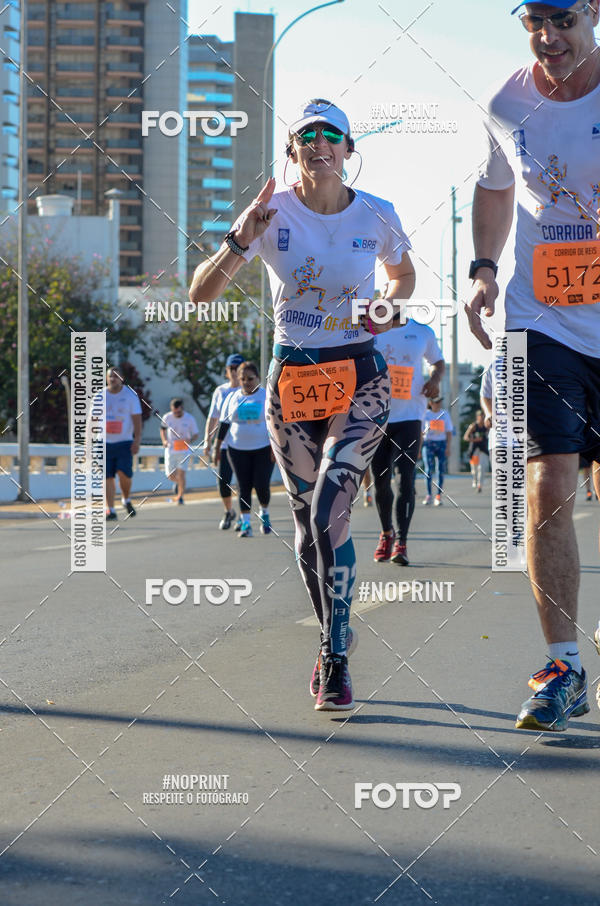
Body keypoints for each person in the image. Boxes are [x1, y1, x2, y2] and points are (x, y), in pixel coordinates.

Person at [189, 98, 415, 710]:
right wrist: (241, 242)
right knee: (304, 525)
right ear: (293, 152)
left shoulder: (377, 212)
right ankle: (330, 636)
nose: (319, 143)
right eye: (305, 135)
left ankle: (336, 657)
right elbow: (200, 293)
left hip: (360, 372)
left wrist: (387, 306)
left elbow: (403, 276)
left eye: (331, 135)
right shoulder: (270, 212)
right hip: (292, 378)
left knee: (328, 515)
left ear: (348, 149)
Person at [465, 0, 600, 728]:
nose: (547, 37)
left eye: (561, 19)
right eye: (532, 21)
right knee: (548, 482)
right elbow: (495, 186)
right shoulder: (506, 102)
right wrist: (484, 268)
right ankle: (564, 666)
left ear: (594, 12)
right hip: (541, 321)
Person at [372, 319, 444, 565]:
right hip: (377, 417)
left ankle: (401, 543)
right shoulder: (369, 330)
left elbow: (438, 363)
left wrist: (434, 381)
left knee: (405, 479)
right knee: (380, 483)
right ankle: (386, 533)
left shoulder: (422, 332)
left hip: (411, 417)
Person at [213, 362, 274, 538]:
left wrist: (276, 448)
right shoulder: (233, 398)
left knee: (261, 485)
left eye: (250, 379)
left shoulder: (266, 396)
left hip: (263, 448)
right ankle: (246, 523)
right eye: (242, 379)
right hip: (237, 449)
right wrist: (217, 448)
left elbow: (277, 424)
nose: (246, 382)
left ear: (258, 379)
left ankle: (264, 512)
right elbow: (223, 425)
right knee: (243, 486)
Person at [203, 353, 244, 529]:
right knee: (224, 482)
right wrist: (208, 441)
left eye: (238, 368)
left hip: (245, 445)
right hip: (225, 445)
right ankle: (229, 511)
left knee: (243, 483)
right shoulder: (220, 391)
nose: (234, 372)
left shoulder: (250, 390)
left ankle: (244, 516)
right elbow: (213, 418)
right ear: (226, 371)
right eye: (231, 369)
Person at [104, 367, 142, 520]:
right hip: (104, 442)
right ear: (107, 378)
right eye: (110, 376)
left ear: (122, 378)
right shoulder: (100, 396)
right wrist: (88, 442)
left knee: (123, 474)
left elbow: (137, 420)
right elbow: (91, 421)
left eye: (116, 376)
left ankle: (126, 499)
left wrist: (137, 440)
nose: (113, 379)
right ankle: (111, 510)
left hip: (124, 442)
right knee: (107, 477)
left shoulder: (130, 396)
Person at [160, 398, 199, 504]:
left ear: (182, 408)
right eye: (174, 411)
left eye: (178, 411)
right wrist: (164, 441)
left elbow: (196, 434)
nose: (176, 413)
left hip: (183, 450)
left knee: (181, 474)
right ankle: (181, 484)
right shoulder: (167, 417)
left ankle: (180, 496)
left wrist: (189, 440)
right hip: (170, 449)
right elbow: (162, 429)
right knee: (170, 475)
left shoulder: (189, 418)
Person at [422, 398, 453, 506]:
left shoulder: (445, 414)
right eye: (436, 402)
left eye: (440, 402)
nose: (438, 404)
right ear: (431, 403)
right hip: (428, 444)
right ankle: (429, 495)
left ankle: (438, 495)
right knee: (428, 469)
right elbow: (420, 432)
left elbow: (449, 432)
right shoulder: (425, 414)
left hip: (441, 444)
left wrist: (448, 447)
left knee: (440, 470)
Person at [463, 410, 490, 492]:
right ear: (477, 417)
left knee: (482, 467)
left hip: (483, 449)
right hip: (474, 449)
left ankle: (480, 485)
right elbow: (465, 437)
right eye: (480, 416)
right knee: (474, 468)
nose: (481, 418)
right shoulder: (473, 426)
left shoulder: (487, 426)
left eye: (483, 416)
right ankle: (474, 480)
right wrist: (475, 440)